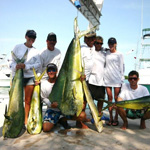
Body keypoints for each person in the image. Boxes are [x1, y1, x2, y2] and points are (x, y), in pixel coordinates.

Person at [42, 63, 88, 131]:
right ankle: (56, 119)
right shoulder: (44, 84)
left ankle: (62, 119)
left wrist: (81, 80)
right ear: (47, 72)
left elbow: (74, 85)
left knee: (82, 116)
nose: (51, 72)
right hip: (53, 109)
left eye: (53, 70)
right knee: (46, 128)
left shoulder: (63, 81)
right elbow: (43, 98)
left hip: (66, 109)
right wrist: (50, 104)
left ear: (56, 71)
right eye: (49, 70)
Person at [9, 30, 41, 125]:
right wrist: (16, 66)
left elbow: (38, 64)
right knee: (15, 100)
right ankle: (15, 119)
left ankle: (25, 121)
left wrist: (26, 66)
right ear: (26, 37)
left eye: (33, 38)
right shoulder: (17, 47)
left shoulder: (36, 51)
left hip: (29, 77)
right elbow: (10, 60)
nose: (31, 39)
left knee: (27, 100)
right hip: (18, 77)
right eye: (30, 37)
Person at [103, 37, 125, 126]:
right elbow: (100, 48)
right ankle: (111, 117)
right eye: (109, 43)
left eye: (112, 43)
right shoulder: (106, 53)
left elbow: (122, 66)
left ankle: (116, 117)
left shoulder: (120, 54)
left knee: (116, 99)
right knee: (109, 98)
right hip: (107, 78)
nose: (111, 45)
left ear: (116, 44)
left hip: (117, 79)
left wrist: (122, 78)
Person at [88, 36, 106, 116]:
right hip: (91, 79)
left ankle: (99, 113)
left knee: (101, 99)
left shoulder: (104, 52)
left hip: (101, 80)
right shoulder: (90, 51)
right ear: (94, 43)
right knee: (90, 99)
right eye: (97, 43)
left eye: (101, 43)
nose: (99, 45)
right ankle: (93, 112)